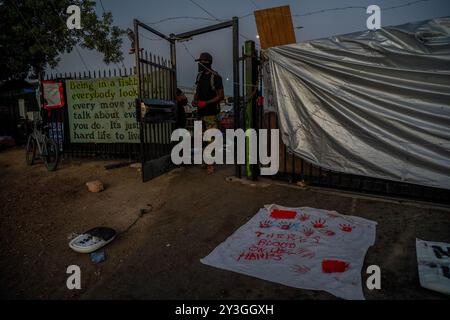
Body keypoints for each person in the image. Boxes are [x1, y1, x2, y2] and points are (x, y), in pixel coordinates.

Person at [192, 52, 225, 174]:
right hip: (200, 113)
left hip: (211, 113)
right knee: (201, 139)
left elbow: (221, 96)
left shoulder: (216, 77)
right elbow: (197, 91)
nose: (199, 64)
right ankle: (206, 160)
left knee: (211, 139)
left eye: (201, 61)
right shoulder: (199, 76)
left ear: (207, 62)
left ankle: (211, 164)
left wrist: (206, 103)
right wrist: (195, 100)